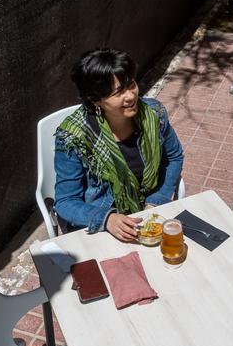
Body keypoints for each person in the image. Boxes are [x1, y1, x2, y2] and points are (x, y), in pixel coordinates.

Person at [54, 49, 184, 241]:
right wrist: (107, 220)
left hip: (149, 216)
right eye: (118, 92)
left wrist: (156, 201)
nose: (131, 96)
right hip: (102, 224)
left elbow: (174, 157)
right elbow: (65, 201)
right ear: (95, 100)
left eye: (131, 84)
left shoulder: (154, 114)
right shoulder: (73, 137)